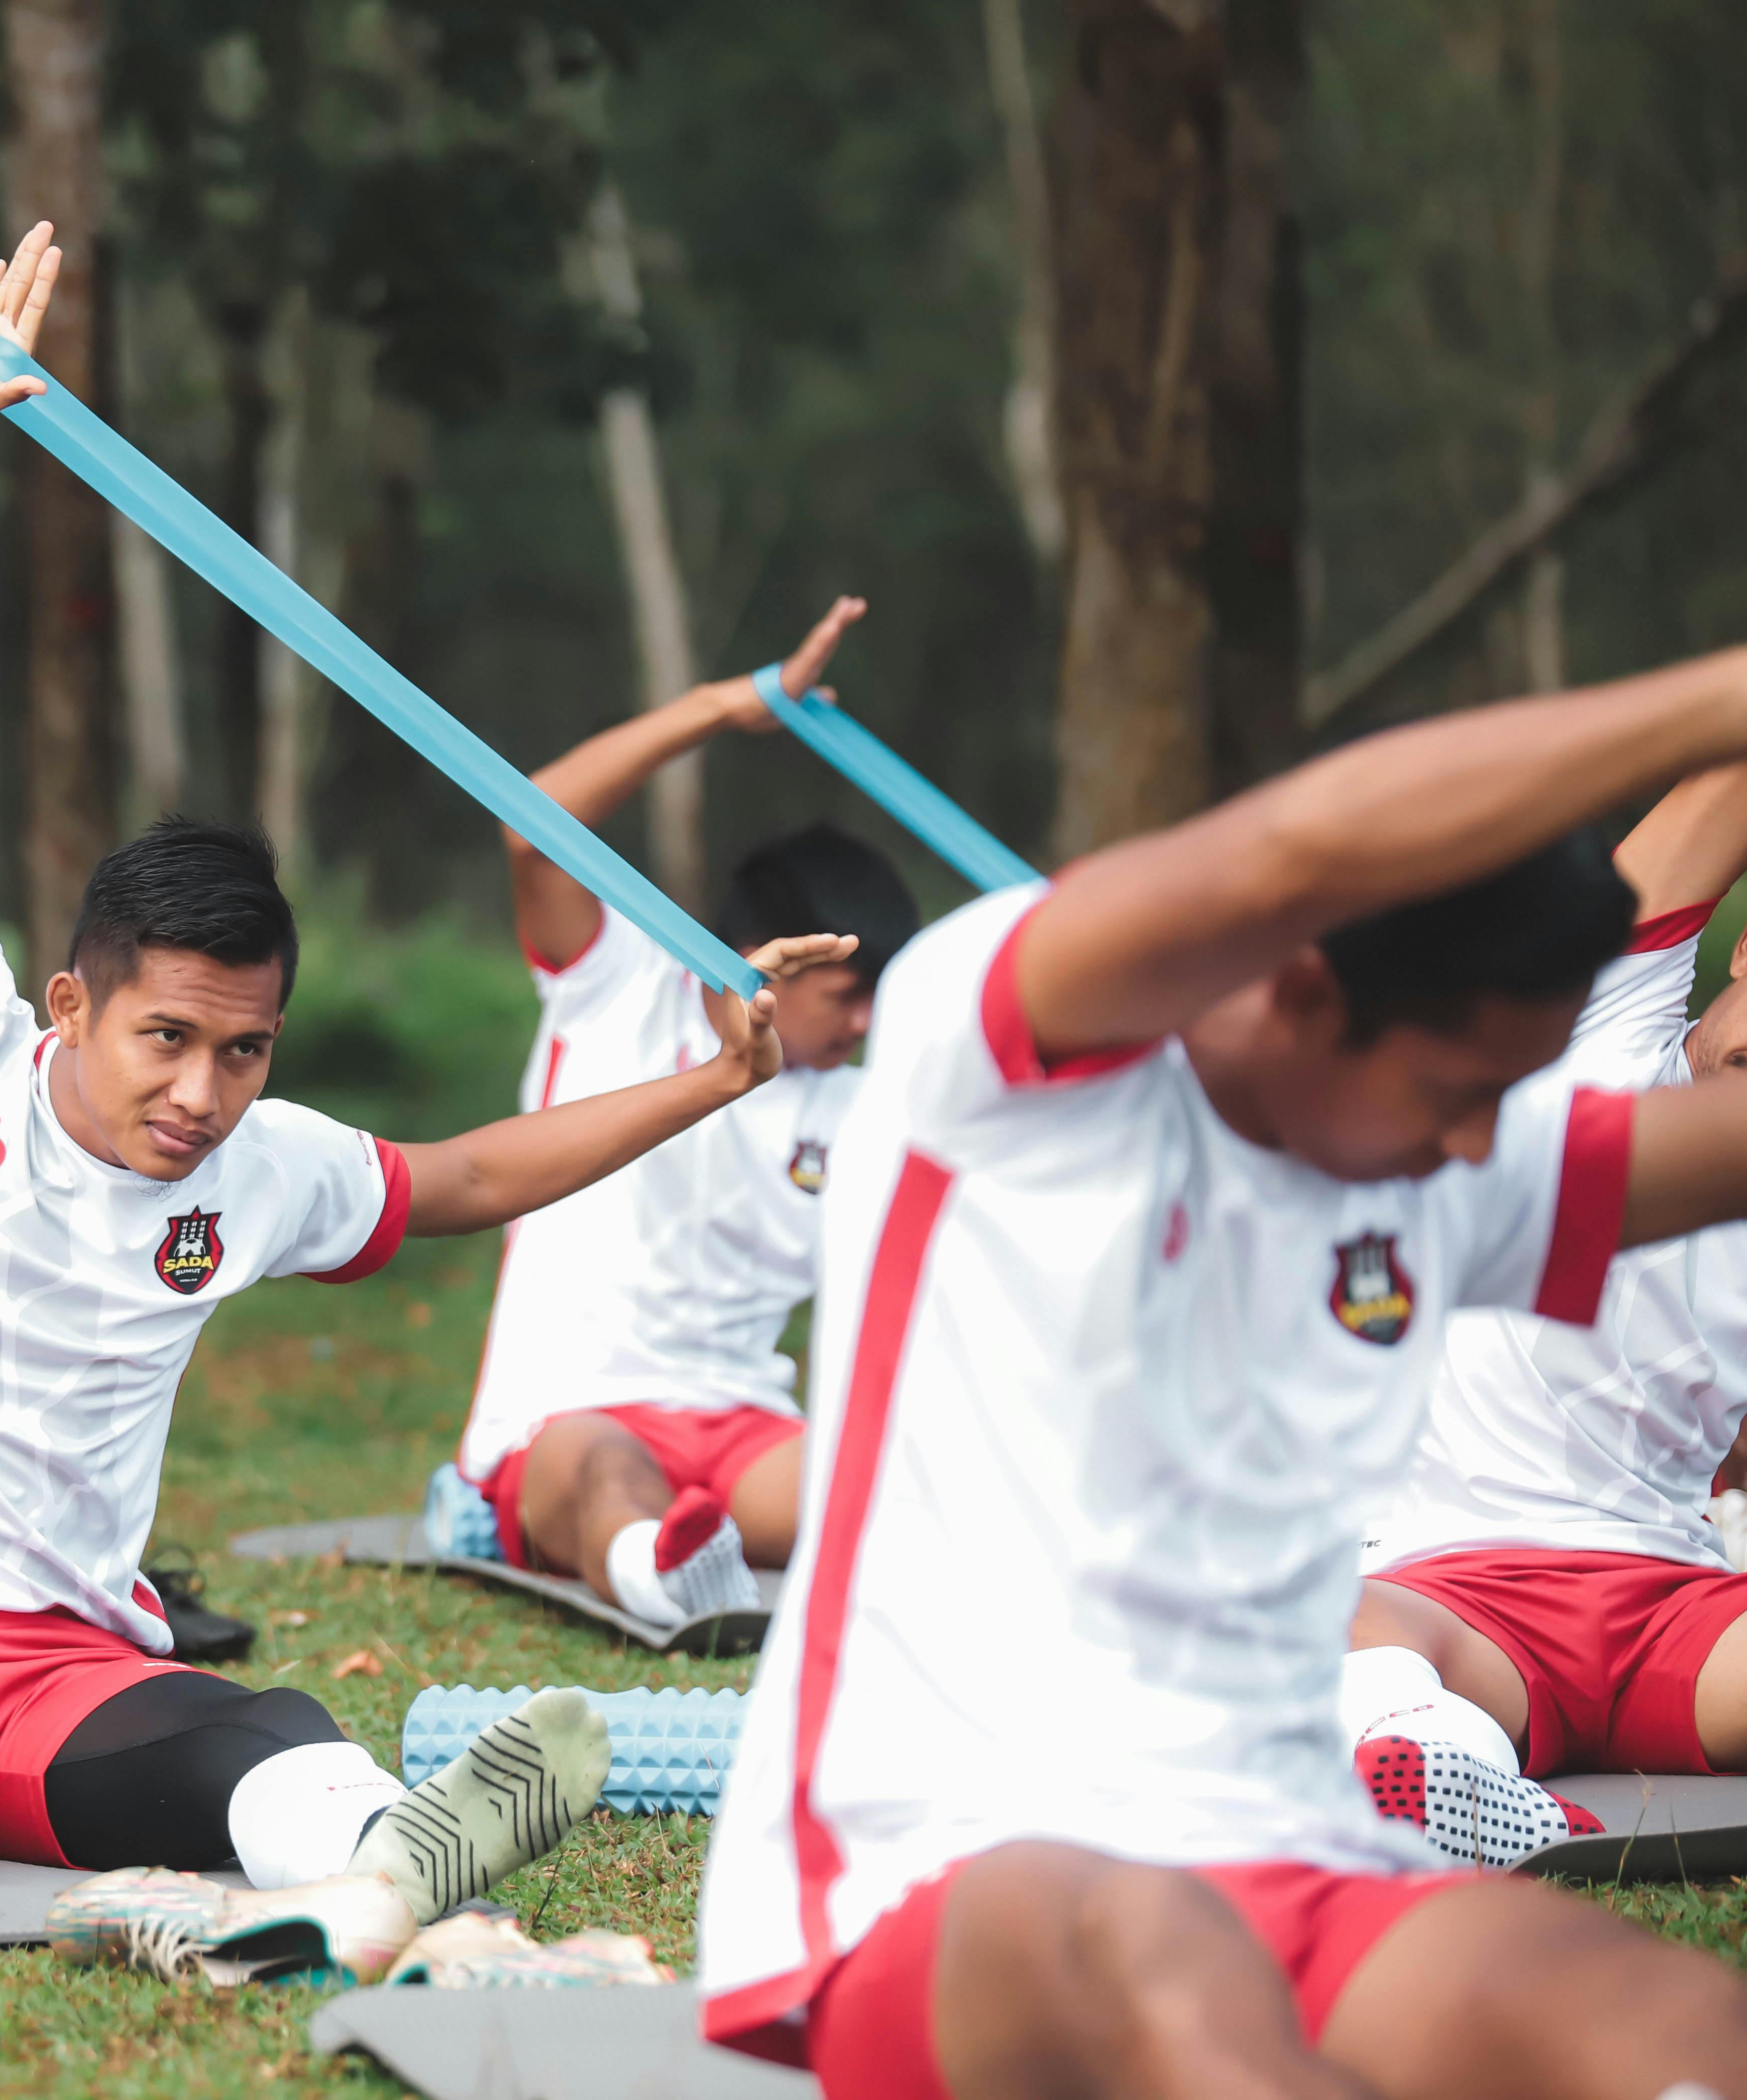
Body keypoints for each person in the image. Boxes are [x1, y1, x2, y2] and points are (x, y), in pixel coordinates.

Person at [0, 223, 856, 1937]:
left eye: (245, 1051)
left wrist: (716, 1081)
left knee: (266, 1738)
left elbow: (469, 1178)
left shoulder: (255, 1168)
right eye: (166, 1039)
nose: (204, 1093)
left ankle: (387, 1841)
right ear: (72, 1005)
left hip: (71, 1674)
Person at [697, 639, 1747, 2098]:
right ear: (1302, 990)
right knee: (1167, 1962)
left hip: (1292, 1855)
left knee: (1664, 2021)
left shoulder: (1425, 1162)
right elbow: (1296, 848)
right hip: (951, 1878)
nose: (1483, 1143)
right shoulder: (1004, 1072)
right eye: (1460, 1091)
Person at [444, 598, 918, 1631]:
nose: (867, 1022)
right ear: (768, 961)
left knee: (892, 1489)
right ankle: (664, 1576)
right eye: (848, 993)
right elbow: (532, 825)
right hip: (575, 1414)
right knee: (607, 1475)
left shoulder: (861, 1104)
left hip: (746, 1432)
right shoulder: (620, 986)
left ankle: (697, 1552)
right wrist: (729, 706)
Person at [1344, 760, 1747, 1862]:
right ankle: (1447, 1772)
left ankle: (1444, 1768)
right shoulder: (1599, 1022)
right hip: (1454, 1588)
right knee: (1330, 1633)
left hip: (1677, 1612)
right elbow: (1725, 789)